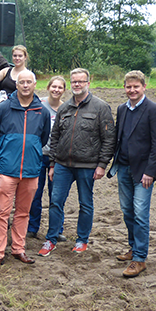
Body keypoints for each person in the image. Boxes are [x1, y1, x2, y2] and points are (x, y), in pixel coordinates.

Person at [40, 68, 116, 257]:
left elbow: (109, 138)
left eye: (81, 82)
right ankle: (52, 238)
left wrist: (102, 164)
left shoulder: (100, 107)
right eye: (74, 82)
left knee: (85, 203)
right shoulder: (65, 108)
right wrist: (52, 163)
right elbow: (55, 136)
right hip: (63, 165)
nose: (77, 85)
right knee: (55, 201)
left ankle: (82, 240)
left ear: (88, 83)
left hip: (87, 165)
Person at [0, 71, 51, 269]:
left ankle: (18, 249)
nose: (25, 85)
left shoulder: (42, 111)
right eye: (21, 82)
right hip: (8, 170)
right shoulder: (4, 108)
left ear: (34, 84)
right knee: (1, 212)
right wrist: (7, 151)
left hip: (31, 170)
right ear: (16, 84)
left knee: (23, 212)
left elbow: (43, 137)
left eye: (28, 82)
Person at [106, 71, 156, 278]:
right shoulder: (122, 109)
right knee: (127, 211)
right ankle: (133, 247)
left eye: (136, 87)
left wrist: (150, 171)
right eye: (128, 87)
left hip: (143, 172)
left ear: (144, 87)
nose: (132, 90)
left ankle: (139, 258)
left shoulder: (155, 110)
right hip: (123, 168)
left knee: (140, 213)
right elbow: (118, 138)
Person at [27, 76, 67, 241]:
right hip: (38, 155)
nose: (56, 90)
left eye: (60, 87)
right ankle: (32, 228)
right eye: (54, 86)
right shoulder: (39, 105)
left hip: (57, 158)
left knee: (56, 195)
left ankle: (57, 230)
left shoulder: (67, 109)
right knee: (35, 193)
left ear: (64, 90)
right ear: (48, 87)